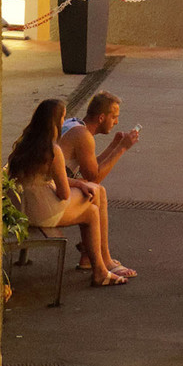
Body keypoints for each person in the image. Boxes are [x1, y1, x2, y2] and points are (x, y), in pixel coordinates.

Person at [6, 98, 127, 287]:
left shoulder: (24, 144)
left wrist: (78, 184)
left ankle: (95, 262)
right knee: (91, 210)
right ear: (55, 122)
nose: (64, 122)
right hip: (40, 211)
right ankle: (100, 269)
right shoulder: (53, 150)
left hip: (20, 208)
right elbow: (63, 194)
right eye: (62, 117)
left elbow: (46, 176)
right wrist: (78, 186)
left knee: (92, 191)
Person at [60, 92, 140, 277]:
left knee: (93, 190)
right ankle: (105, 260)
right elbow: (94, 178)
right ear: (101, 117)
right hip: (51, 193)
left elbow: (90, 170)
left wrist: (113, 145)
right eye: (114, 117)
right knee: (97, 191)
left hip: (52, 185)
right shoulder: (84, 136)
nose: (116, 122)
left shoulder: (75, 125)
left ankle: (90, 256)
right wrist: (122, 148)